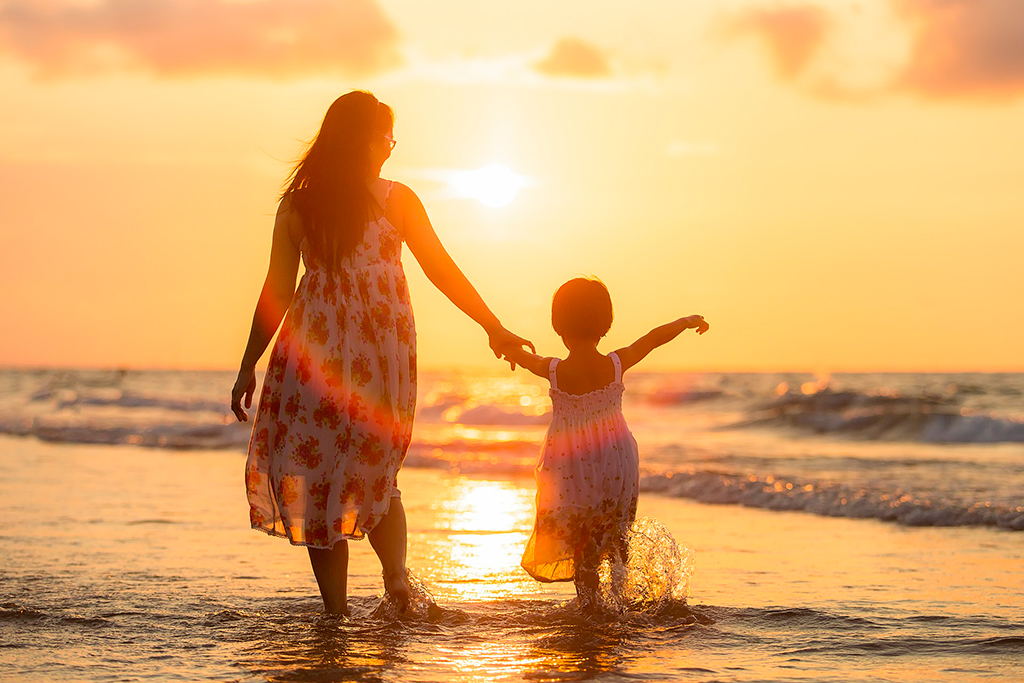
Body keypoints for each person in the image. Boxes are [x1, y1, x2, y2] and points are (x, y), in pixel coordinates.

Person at [230, 91, 531, 616]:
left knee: (318, 476)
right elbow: (440, 268)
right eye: (387, 136)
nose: (391, 147)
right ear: (365, 138)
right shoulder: (394, 198)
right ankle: (396, 584)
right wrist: (492, 326)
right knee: (375, 470)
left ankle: (337, 614)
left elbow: (277, 291)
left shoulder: (299, 203)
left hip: (312, 357)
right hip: (378, 355)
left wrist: (248, 364)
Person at [502, 277, 709, 609]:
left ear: (557, 325)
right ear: (605, 323)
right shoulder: (615, 364)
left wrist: (503, 346)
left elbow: (523, 357)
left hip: (572, 468)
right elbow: (653, 339)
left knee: (582, 541)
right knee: (616, 533)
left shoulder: (554, 369)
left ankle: (591, 605)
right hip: (616, 461)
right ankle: (619, 598)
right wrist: (685, 322)